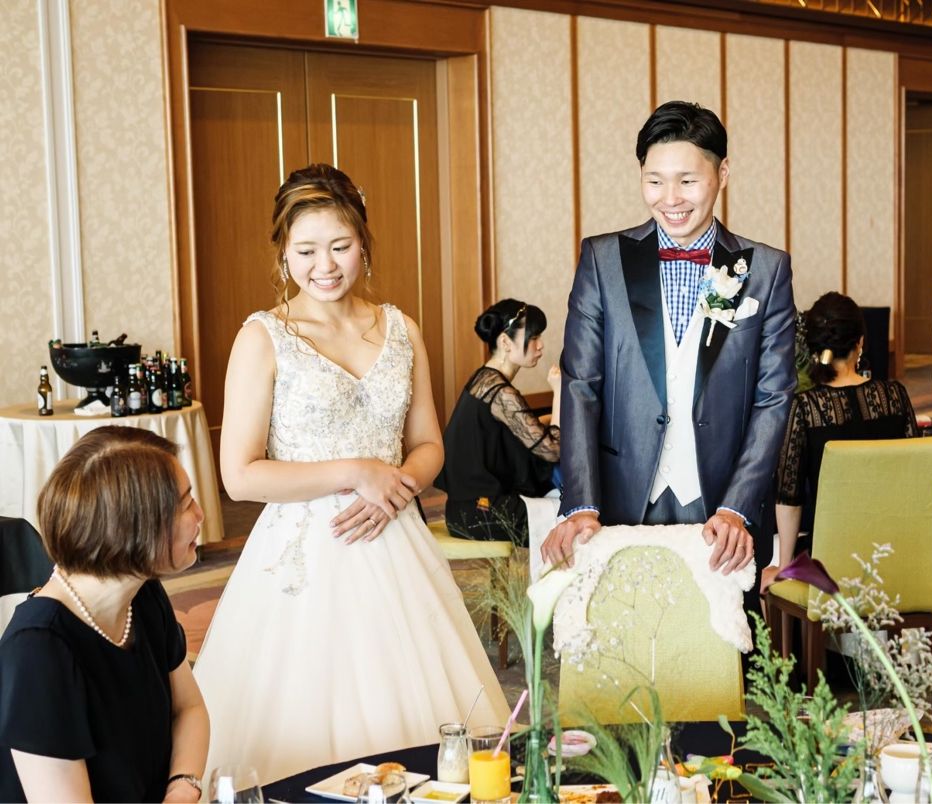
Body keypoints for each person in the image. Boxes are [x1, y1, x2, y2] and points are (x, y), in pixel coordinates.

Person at [193, 164, 508, 784]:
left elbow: (428, 445)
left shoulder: (400, 328)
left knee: (421, 721)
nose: (325, 265)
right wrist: (357, 471)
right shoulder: (264, 337)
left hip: (394, 537)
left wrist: (396, 487)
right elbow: (240, 476)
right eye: (306, 250)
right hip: (305, 553)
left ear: (364, 243)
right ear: (283, 253)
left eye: (340, 246)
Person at [542, 100, 797, 594]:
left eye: (688, 180)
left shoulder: (767, 270)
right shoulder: (602, 259)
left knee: (726, 637)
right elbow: (580, 386)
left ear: (722, 174)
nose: (670, 198)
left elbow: (774, 398)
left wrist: (737, 505)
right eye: (655, 180)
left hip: (722, 510)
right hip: (619, 501)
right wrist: (582, 503)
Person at [0, 427, 209, 803]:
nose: (201, 514)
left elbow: (189, 709)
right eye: (185, 503)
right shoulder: (38, 651)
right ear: (135, 527)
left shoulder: (142, 596)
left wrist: (181, 789)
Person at [760, 292, 918, 593]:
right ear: (860, 342)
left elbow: (789, 496)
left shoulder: (806, 408)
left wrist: (784, 566)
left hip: (831, 561)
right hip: (895, 554)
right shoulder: (895, 396)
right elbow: (915, 480)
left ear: (812, 347)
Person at [435, 298, 560, 546]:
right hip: (483, 513)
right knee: (570, 514)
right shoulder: (499, 392)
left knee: (563, 505)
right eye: (533, 337)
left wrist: (543, 421)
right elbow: (553, 449)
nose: (540, 345)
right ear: (505, 342)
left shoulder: (484, 380)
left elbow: (512, 429)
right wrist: (558, 392)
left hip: (465, 510)